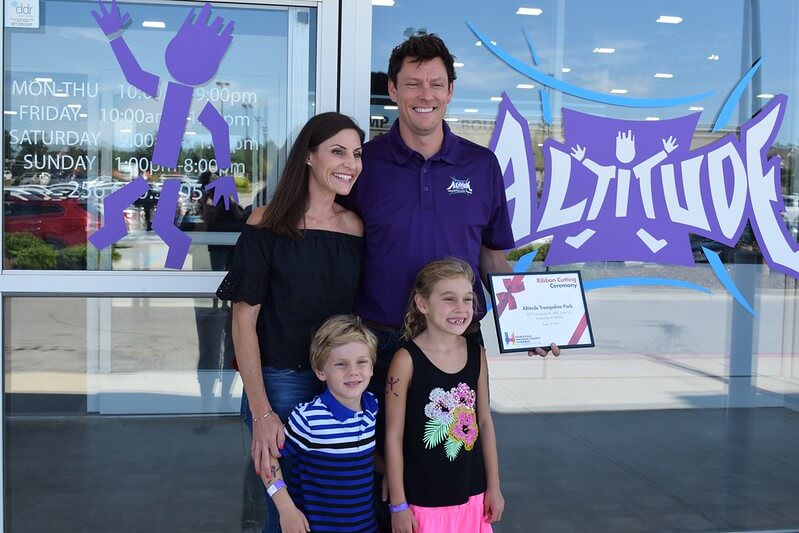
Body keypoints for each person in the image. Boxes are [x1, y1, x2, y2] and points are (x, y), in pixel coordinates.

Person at [344, 33, 558, 530]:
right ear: (393, 90)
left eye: (436, 83)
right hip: (379, 341)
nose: (425, 93)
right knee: (381, 471)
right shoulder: (365, 164)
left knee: (450, 465)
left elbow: (491, 254)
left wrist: (525, 321)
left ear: (451, 90)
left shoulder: (480, 166)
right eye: (413, 83)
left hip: (457, 343)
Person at [216, 112, 365, 533]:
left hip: (342, 384)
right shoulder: (266, 224)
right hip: (280, 382)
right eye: (338, 152)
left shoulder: (355, 228)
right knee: (287, 513)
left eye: (356, 154)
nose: (350, 163)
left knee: (336, 506)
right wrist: (262, 413)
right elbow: (243, 323)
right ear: (308, 157)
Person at [385, 258, 503, 533]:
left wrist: (494, 486)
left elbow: (483, 421)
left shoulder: (477, 354)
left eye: (467, 299)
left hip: (472, 494)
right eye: (449, 299)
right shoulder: (406, 360)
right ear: (422, 304)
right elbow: (394, 435)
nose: (461, 309)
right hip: (424, 501)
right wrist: (398, 504)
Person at [263, 315, 379, 533]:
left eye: (362, 362)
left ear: (372, 367)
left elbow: (361, 459)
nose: (353, 371)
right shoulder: (308, 419)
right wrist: (286, 509)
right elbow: (267, 457)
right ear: (320, 372)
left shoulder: (372, 407)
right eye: (341, 364)